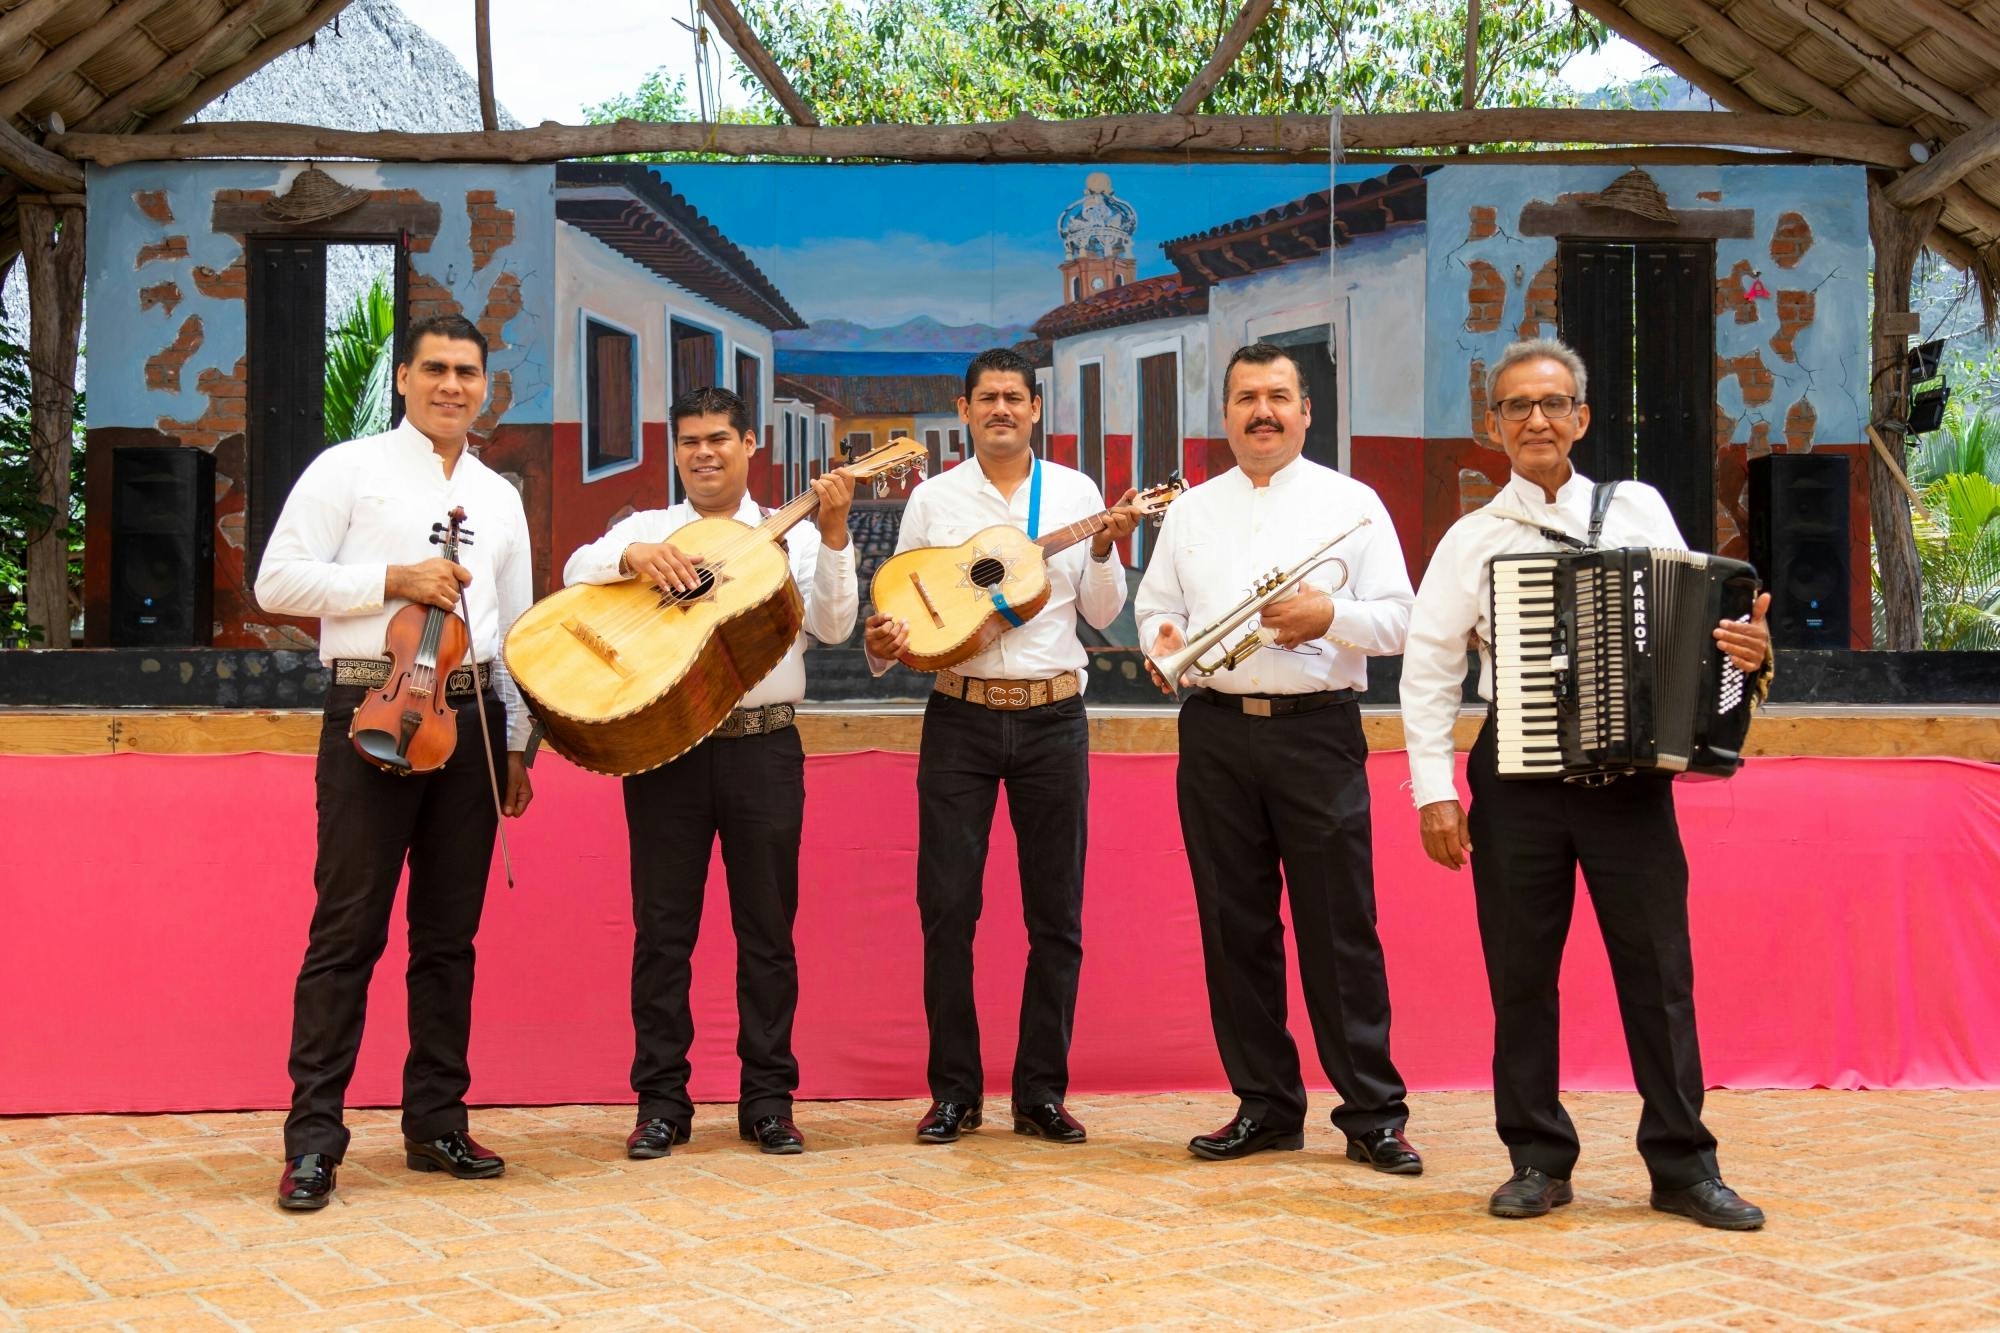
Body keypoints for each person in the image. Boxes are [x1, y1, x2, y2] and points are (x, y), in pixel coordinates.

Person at [1400, 336, 1773, 1230]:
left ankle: (1684, 1165)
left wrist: (1746, 657)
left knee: (1659, 973)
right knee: (1520, 974)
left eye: (1553, 403)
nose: (1536, 419)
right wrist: (1433, 789)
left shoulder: (1639, 508)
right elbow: (1427, 668)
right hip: (1516, 778)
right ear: (1493, 427)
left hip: (1631, 782)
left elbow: (1704, 625)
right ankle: (1536, 1156)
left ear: (1582, 417)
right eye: (1517, 406)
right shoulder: (1471, 539)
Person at [256, 313, 535, 1212]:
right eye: (436, 370)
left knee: (449, 940)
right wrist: (392, 580)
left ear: (484, 385)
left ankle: (436, 1121)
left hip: (472, 719)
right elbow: (278, 581)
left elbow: (518, 628)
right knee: (347, 933)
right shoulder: (349, 468)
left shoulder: (497, 493)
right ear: (404, 379)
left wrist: (519, 739)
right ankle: (313, 1141)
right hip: (374, 710)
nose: (453, 385)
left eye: (468, 372)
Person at [1136, 341, 1422, 1172]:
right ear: (1224, 414)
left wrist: (1329, 615)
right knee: (1235, 927)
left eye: (1278, 396)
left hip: (1316, 731)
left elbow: (1400, 620)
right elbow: (1158, 606)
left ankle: (1372, 1111)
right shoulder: (1191, 510)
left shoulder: (1356, 504)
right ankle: (1265, 1105)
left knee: (1341, 928)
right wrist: (1163, 643)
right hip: (1217, 733)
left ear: (1306, 410)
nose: (1262, 411)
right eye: (1245, 397)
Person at [563, 385, 858, 1158]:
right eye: (690, 439)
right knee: (663, 934)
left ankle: (769, 1100)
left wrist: (833, 535)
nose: (703, 452)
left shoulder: (785, 532)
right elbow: (573, 571)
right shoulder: (651, 529)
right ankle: (661, 1102)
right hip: (670, 748)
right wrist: (628, 556)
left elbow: (834, 626)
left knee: (767, 932)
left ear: (750, 444)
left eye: (719, 438)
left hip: (765, 747)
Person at [864, 347, 1142, 1146]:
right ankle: (954, 1091)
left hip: (1055, 718)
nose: (1001, 411)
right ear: (964, 409)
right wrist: (887, 640)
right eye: (987, 398)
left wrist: (1099, 546)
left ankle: (1040, 1092)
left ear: (1035, 408)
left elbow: (1101, 611)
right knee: (947, 909)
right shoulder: (933, 499)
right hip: (960, 716)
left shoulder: (1078, 493)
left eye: (1014, 398)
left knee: (1057, 914)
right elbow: (907, 609)